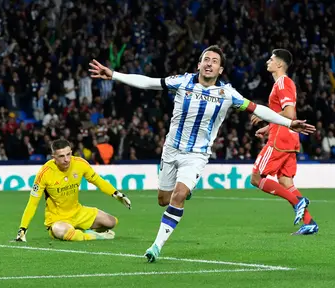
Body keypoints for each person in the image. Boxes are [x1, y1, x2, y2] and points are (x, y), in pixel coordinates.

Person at [89, 45, 316, 262]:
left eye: (215, 61)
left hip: (196, 155)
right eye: (206, 60)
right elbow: (149, 83)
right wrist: (114, 75)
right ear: (199, 64)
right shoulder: (183, 81)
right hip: (171, 150)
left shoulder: (227, 93)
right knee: (163, 200)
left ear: (221, 70)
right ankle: (185, 192)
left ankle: (156, 246)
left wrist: (288, 123)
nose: (209, 64)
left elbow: (258, 109)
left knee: (178, 196)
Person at [250, 49, 318, 235]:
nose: (268, 62)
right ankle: (309, 222)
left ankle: (298, 202)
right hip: (288, 136)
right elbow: (291, 114)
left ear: (280, 64)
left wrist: (265, 115)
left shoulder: (282, 83)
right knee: (285, 181)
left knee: (256, 178)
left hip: (280, 139)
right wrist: (269, 125)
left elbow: (288, 114)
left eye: (271, 59)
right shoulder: (282, 84)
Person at [14, 139, 131, 242]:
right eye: (61, 156)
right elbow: (32, 203)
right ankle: (96, 236)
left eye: (68, 154)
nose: (66, 159)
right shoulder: (44, 173)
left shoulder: (80, 164)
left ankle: (81, 231)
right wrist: (22, 228)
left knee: (111, 222)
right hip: (57, 219)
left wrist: (116, 194)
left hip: (78, 212)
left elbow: (98, 181)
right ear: (53, 157)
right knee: (62, 231)